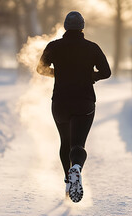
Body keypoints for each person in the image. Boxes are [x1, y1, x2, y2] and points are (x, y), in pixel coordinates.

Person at [36, 11, 111, 202]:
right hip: (84, 102)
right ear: (82, 27)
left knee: (65, 142)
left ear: (65, 27)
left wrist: (60, 74)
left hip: (60, 102)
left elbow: (40, 69)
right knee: (78, 144)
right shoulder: (92, 48)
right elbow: (106, 72)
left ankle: (69, 181)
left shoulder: (54, 46)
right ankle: (76, 167)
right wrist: (89, 76)